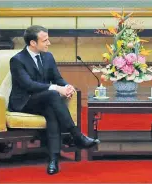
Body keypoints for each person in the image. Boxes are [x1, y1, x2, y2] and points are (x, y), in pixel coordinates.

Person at [9, 25, 100, 175]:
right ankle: (76, 135)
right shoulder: (17, 60)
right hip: (25, 102)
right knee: (53, 95)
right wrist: (57, 89)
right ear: (33, 43)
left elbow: (57, 78)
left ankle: (53, 160)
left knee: (51, 112)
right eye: (45, 40)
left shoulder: (48, 56)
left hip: (44, 101)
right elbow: (28, 85)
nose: (48, 43)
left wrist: (67, 86)